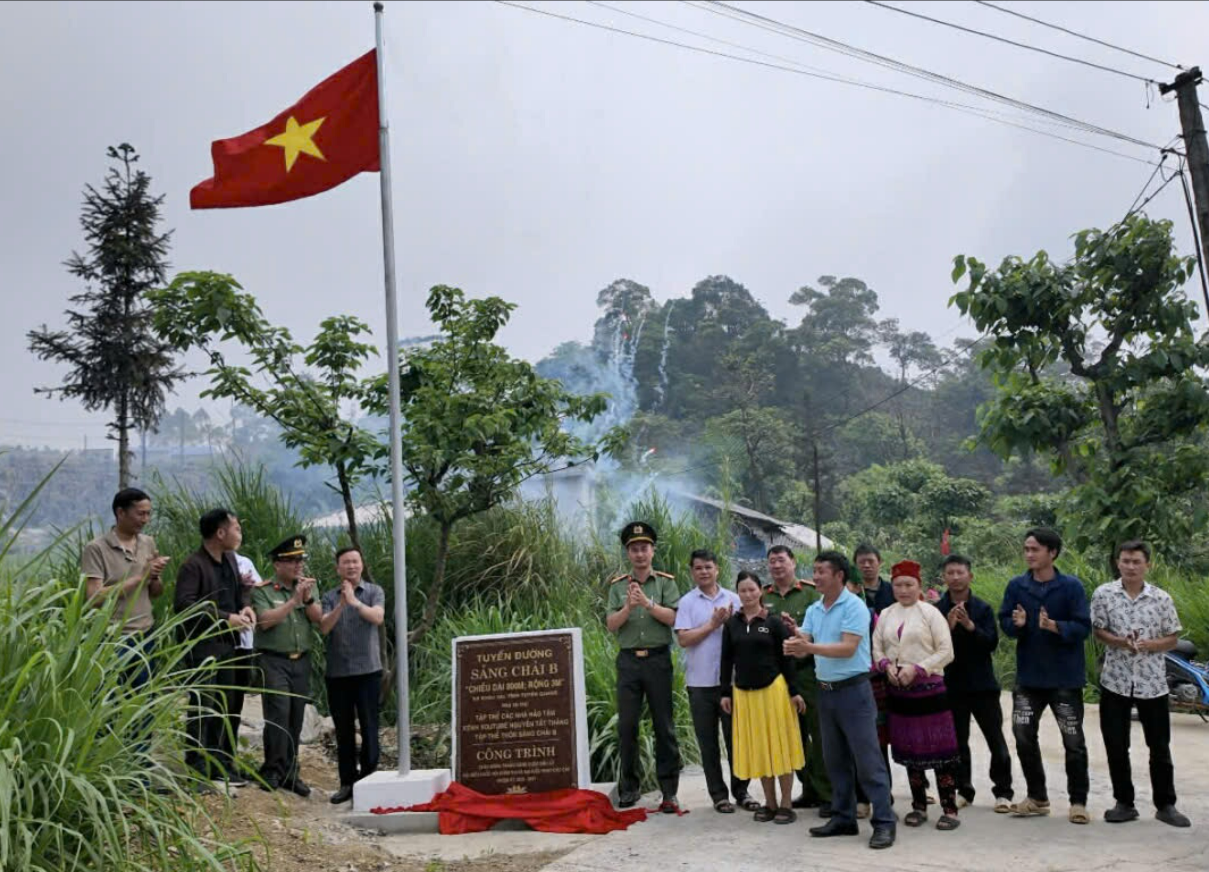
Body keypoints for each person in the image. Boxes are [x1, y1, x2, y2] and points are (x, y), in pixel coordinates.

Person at [786, 551, 895, 850]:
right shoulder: (815, 608)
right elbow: (806, 639)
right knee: (835, 761)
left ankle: (884, 822)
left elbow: (848, 648)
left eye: (822, 571)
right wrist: (795, 637)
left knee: (868, 761)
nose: (816, 576)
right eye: (815, 570)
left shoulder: (855, 607)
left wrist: (807, 646)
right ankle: (844, 817)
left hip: (854, 692)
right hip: (826, 692)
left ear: (839, 576)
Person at [1091, 540, 1190, 828]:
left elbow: (1172, 638)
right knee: (1116, 744)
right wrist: (1120, 642)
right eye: (1125, 561)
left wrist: (1149, 645)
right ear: (1118, 563)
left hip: (1152, 683)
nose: (1131, 566)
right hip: (1115, 681)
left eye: (1136, 561)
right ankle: (1124, 803)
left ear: (1148, 564)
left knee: (1159, 746)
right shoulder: (1104, 594)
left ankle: (1166, 805)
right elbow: (1098, 631)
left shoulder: (1161, 599)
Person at [998, 527, 1091, 824]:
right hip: (1029, 678)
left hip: (1064, 678)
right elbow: (1006, 624)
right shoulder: (1017, 586)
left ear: (1052, 553)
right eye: (1026, 549)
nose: (1028, 554)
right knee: (1023, 736)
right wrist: (1020, 624)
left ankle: (1078, 802)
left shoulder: (1071, 587)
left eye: (1034, 549)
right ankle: (1037, 797)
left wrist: (1056, 627)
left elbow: (1083, 627)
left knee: (1073, 740)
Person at [873, 560, 961, 831]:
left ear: (919, 586)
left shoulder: (930, 613)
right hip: (899, 693)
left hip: (930, 691)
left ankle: (949, 809)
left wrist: (919, 668)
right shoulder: (886, 614)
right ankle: (918, 806)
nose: (903, 590)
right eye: (898, 585)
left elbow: (946, 651)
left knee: (940, 751)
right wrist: (887, 667)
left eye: (909, 585)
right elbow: (877, 647)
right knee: (910, 751)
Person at [174, 508, 257, 788]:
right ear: (220, 533)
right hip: (202, 648)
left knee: (227, 705)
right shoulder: (193, 565)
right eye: (235, 528)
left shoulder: (231, 560)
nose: (239, 534)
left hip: (229, 647)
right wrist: (226, 618)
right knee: (203, 706)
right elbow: (185, 605)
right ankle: (197, 767)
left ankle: (222, 763)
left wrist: (245, 605)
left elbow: (238, 591)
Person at [605, 521, 683, 812]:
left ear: (652, 551)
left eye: (644, 548)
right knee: (627, 726)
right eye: (634, 549)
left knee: (664, 725)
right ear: (628, 553)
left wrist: (648, 604)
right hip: (628, 662)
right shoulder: (617, 586)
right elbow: (611, 625)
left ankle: (669, 792)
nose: (640, 554)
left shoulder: (665, 582)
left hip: (658, 660)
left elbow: (674, 618)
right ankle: (630, 788)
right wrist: (628, 606)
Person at [720, 572, 806, 824]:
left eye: (751, 590)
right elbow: (726, 660)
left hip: (774, 693)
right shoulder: (731, 624)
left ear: (760, 591)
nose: (747, 595)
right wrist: (726, 691)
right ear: (737, 593)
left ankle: (786, 804)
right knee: (760, 749)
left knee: (781, 746)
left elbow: (787, 658)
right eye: (742, 590)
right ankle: (769, 803)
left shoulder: (774, 622)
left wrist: (794, 690)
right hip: (745, 695)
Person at [674, 549, 755, 814]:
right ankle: (719, 796)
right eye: (698, 568)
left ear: (717, 569)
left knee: (737, 741)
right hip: (699, 685)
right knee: (707, 743)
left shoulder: (734, 599)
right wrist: (712, 624)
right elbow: (683, 639)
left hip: (731, 684)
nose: (704, 572)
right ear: (692, 572)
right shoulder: (687, 602)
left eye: (708, 567)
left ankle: (741, 791)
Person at [936, 554, 1014, 812]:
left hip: (983, 686)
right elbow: (934, 648)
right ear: (944, 577)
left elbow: (990, 644)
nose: (955, 577)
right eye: (950, 573)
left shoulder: (981, 608)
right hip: (952, 685)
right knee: (958, 741)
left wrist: (969, 625)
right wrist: (947, 625)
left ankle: (1003, 792)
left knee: (996, 740)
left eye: (960, 572)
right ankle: (964, 790)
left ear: (970, 576)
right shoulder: (937, 610)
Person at [253, 535, 323, 797]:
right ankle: (272, 769)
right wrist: (293, 601)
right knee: (278, 713)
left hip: (301, 659)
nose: (298, 566)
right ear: (277, 564)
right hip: (274, 660)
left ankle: (291, 770)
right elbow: (264, 622)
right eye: (292, 561)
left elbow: (318, 619)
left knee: (295, 715)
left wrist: (306, 599)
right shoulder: (264, 590)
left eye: (300, 560)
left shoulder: (307, 587)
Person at [762, 545, 830, 814]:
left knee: (819, 734)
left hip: (809, 673)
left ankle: (828, 794)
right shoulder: (763, 597)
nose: (777, 566)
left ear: (793, 562)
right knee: (794, 737)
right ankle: (809, 789)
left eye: (781, 561)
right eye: (772, 562)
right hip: (779, 678)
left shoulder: (811, 593)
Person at [81, 488, 170, 687]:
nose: (145, 519)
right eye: (140, 513)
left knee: (143, 701)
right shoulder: (96, 548)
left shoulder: (147, 543)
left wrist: (154, 576)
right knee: (110, 699)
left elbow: (155, 592)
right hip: (112, 637)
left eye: (148, 513)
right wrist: (140, 577)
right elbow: (95, 597)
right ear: (120, 513)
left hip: (146, 634)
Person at [321, 547, 386, 805]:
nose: (351, 566)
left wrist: (356, 602)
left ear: (361, 565)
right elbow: (324, 626)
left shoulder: (373, 591)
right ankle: (347, 782)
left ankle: (368, 780)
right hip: (338, 674)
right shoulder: (329, 596)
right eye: (345, 563)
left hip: (368, 671)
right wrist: (341, 604)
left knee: (370, 727)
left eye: (355, 561)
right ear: (338, 568)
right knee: (344, 731)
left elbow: (378, 617)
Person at [854, 543, 895, 615]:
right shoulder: (850, 592)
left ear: (880, 562)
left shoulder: (893, 590)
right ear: (855, 565)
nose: (866, 565)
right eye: (862, 562)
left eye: (871, 561)